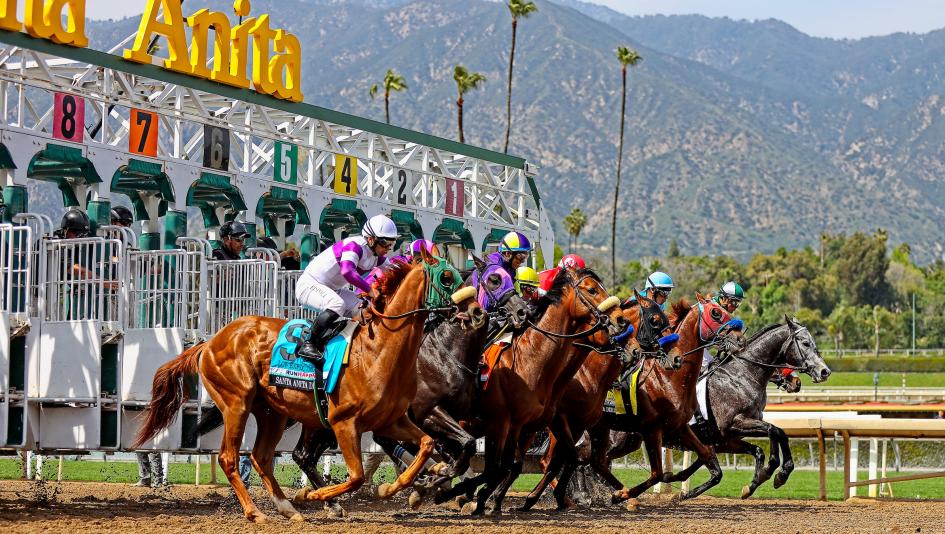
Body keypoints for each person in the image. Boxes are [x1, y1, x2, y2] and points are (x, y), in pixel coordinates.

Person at [294, 214, 398, 361]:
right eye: (385, 243)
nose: (388, 248)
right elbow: (347, 271)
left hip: (332, 289)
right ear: (371, 239)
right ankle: (308, 343)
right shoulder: (354, 245)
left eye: (391, 244)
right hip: (309, 285)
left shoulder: (377, 255)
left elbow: (393, 270)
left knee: (364, 309)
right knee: (337, 304)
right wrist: (369, 290)